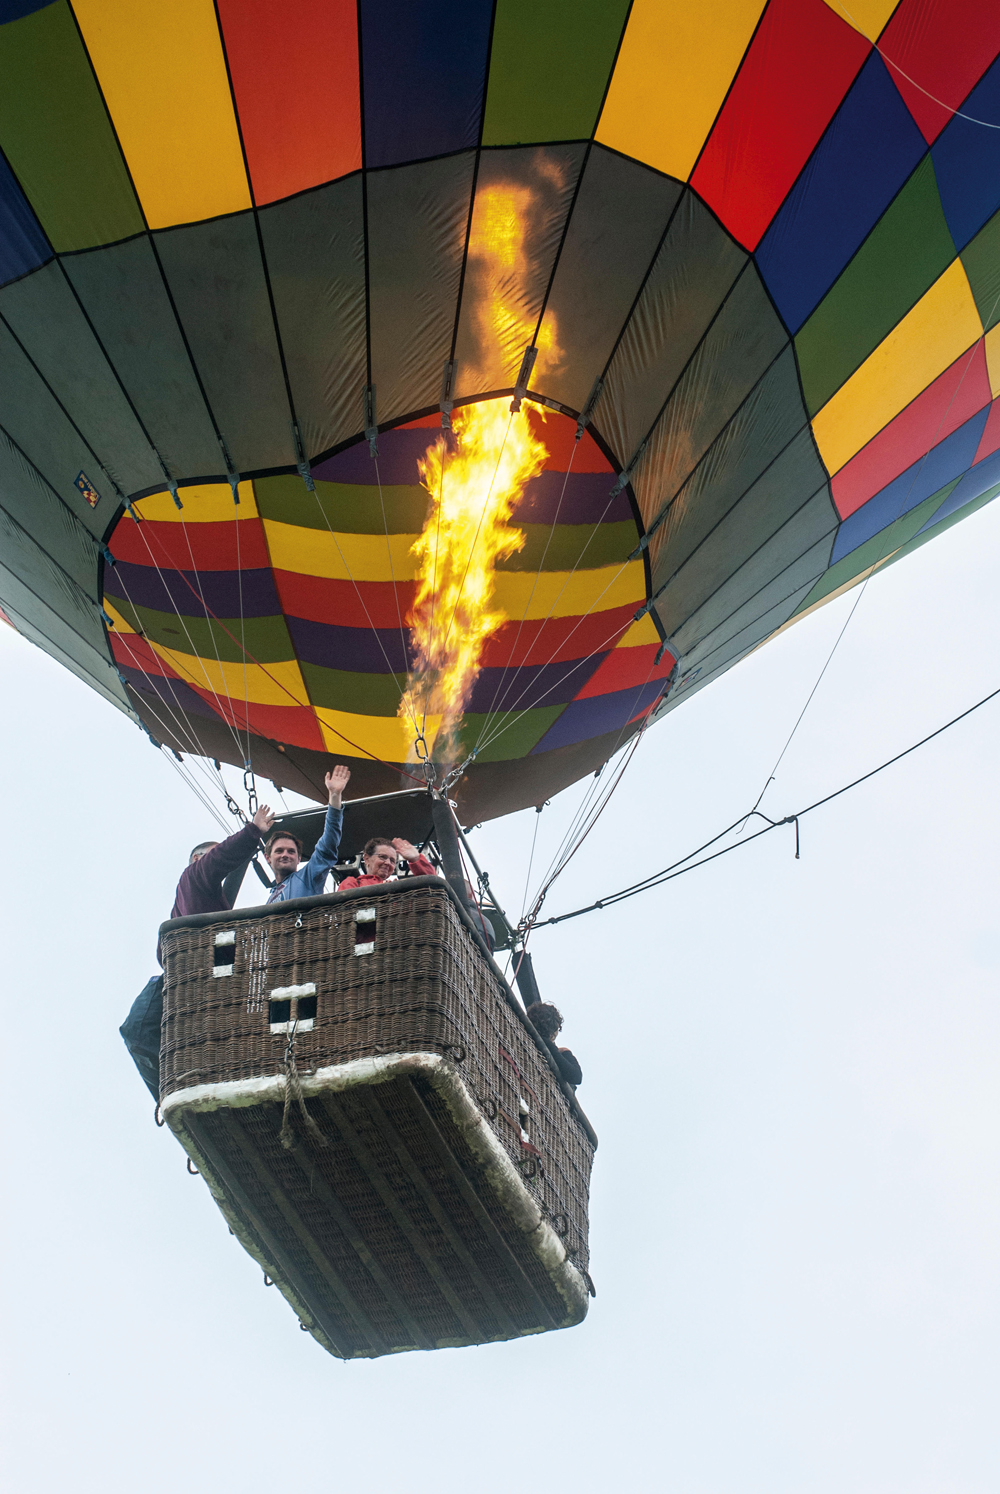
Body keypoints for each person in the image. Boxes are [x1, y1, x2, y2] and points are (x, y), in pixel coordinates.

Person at [120, 802, 277, 1099]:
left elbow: (225, 868)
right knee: (137, 1029)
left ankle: (173, 1086)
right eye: (209, 856)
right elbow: (219, 859)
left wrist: (252, 837)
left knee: (139, 1031)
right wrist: (253, 831)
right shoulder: (194, 876)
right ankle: (171, 1086)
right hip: (185, 973)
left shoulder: (211, 897)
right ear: (196, 858)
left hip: (196, 974)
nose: (214, 863)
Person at [263, 764, 351, 901]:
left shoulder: (309, 876)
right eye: (279, 851)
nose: (285, 855)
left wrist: (335, 796)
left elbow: (327, 845)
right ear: (267, 858)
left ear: (299, 859)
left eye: (291, 851)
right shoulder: (271, 897)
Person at [337, 835, 436, 890]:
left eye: (392, 860)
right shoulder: (352, 883)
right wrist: (383, 890)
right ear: (367, 858)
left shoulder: (401, 888)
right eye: (382, 857)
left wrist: (416, 859)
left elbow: (434, 888)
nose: (388, 863)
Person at [524, 1002, 583, 1090]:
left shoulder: (527, 1036)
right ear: (553, 1031)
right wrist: (566, 1052)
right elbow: (576, 1076)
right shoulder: (545, 1044)